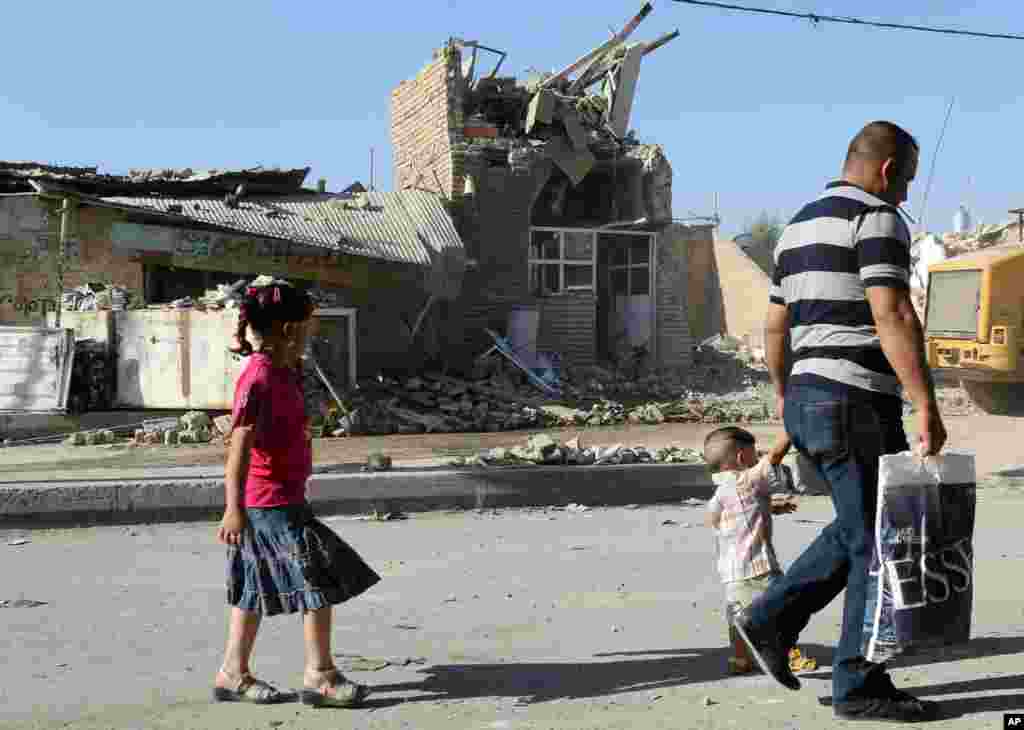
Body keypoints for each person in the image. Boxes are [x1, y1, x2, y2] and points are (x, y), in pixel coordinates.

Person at [733, 121, 948, 723]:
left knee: (860, 528)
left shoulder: (798, 226)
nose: (903, 194)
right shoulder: (877, 218)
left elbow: (776, 327)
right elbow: (894, 310)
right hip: (856, 400)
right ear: (886, 171)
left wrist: (787, 396)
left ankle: (770, 619)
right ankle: (856, 682)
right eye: (904, 180)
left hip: (809, 395)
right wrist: (925, 403)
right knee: (876, 542)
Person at [213, 279, 380, 709]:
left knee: (254, 589)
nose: (312, 331)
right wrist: (233, 509)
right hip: (269, 502)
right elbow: (238, 447)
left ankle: (232, 673)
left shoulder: (283, 370)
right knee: (318, 582)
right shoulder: (260, 378)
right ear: (288, 328)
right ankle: (320, 674)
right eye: (307, 325)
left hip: (282, 497)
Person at [703, 427, 799, 675]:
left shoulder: (719, 494)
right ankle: (789, 656)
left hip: (731, 571)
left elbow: (725, 518)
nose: (757, 458)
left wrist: (770, 507)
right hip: (760, 565)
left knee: (738, 616)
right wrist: (793, 427)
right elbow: (775, 457)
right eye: (754, 454)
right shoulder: (746, 479)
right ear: (741, 458)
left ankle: (740, 659)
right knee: (784, 609)